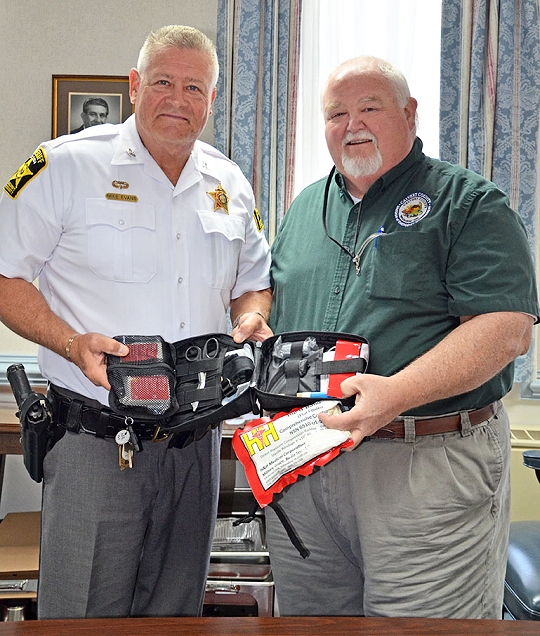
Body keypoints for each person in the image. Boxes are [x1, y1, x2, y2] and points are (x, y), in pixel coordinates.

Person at [0, 25, 272, 619]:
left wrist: (251, 319)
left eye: (194, 87)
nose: (177, 99)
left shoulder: (229, 182)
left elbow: (254, 283)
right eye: (163, 83)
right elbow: (5, 277)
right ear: (133, 86)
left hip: (194, 445)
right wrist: (70, 343)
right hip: (97, 440)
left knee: (176, 616)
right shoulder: (64, 166)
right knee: (82, 616)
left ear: (213, 101)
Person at [266, 55, 539, 619]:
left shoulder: (468, 203)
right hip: (307, 464)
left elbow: (504, 331)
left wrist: (395, 393)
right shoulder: (301, 210)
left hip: (425, 464)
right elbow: (277, 306)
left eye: (370, 107)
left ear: (410, 114)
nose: (352, 123)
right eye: (336, 113)